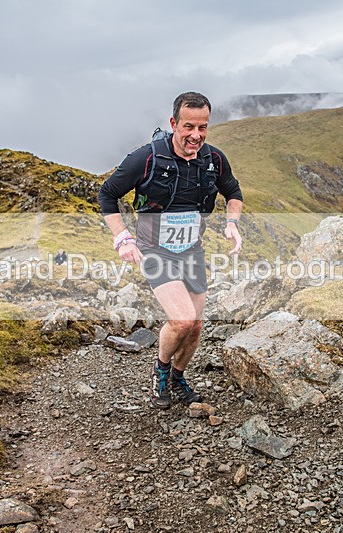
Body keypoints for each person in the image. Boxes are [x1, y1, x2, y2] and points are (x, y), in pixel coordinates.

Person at [98, 91, 243, 409]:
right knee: (181, 320)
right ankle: (160, 372)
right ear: (174, 123)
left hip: (192, 250)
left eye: (203, 127)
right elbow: (107, 194)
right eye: (189, 126)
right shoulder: (147, 157)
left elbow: (233, 190)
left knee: (196, 327)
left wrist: (232, 223)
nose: (196, 135)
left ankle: (178, 377)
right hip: (155, 250)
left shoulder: (214, 159)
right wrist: (122, 237)